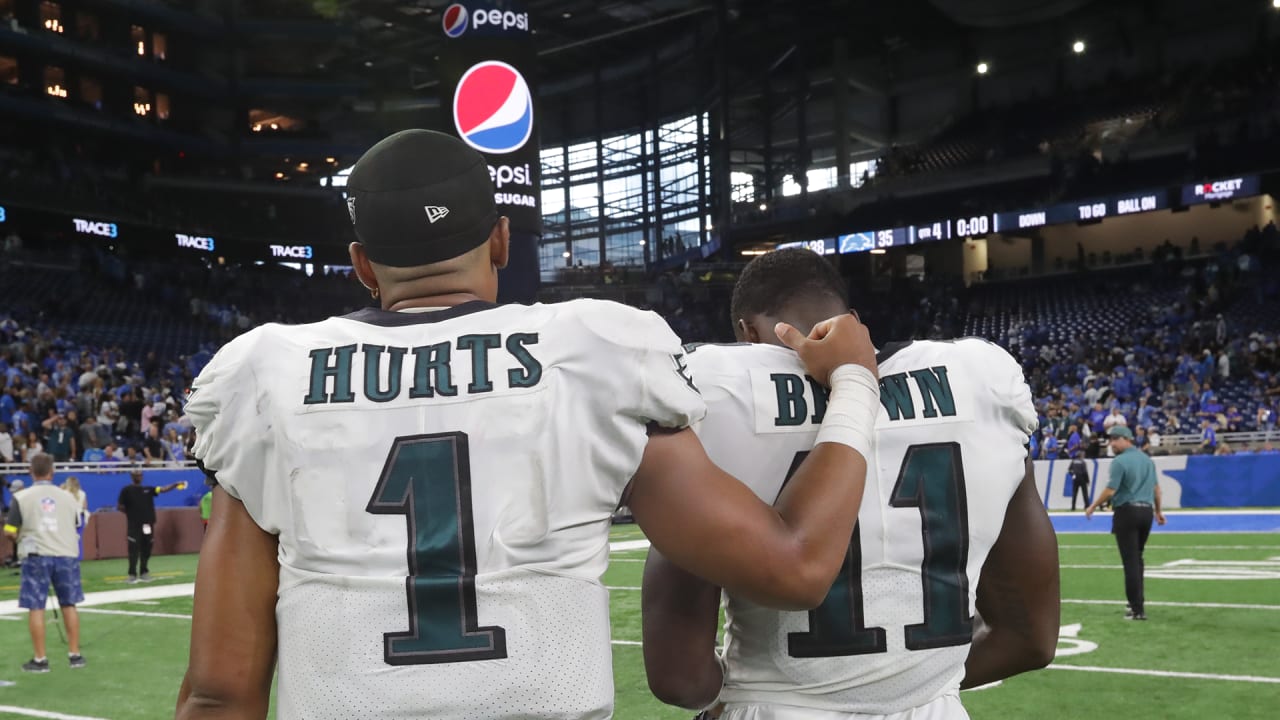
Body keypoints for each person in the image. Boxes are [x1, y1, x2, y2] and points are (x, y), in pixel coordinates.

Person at [175, 130, 881, 720]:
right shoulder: (594, 348)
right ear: (503, 240)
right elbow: (794, 568)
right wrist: (853, 382)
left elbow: (220, 691)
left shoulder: (267, 373)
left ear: (363, 265)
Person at [641, 249, 1059, 720]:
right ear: (853, 321)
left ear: (746, 334)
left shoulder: (714, 394)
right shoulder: (982, 381)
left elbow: (680, 676)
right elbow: (1032, 638)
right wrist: (913, 687)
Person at [3, 453, 85, 671]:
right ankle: (75, 655)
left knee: (36, 607)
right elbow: (77, 523)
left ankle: (41, 659)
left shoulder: (22, 497)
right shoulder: (68, 496)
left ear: (31, 472)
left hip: (36, 555)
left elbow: (9, 531)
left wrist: (20, 536)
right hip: (65, 553)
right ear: (52, 472)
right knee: (69, 605)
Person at [1086, 426, 1166, 620]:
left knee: (1130, 561)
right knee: (1137, 559)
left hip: (1127, 512)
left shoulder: (1119, 462)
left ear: (1127, 439)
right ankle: (1137, 602)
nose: (1112, 444)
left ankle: (1136, 609)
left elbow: (1111, 490)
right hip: (1146, 512)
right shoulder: (1147, 460)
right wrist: (1158, 511)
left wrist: (1093, 506)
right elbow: (1156, 489)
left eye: (1115, 439)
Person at [117, 469, 184, 583]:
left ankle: (144, 572)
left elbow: (162, 489)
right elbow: (120, 506)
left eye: (140, 475)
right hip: (134, 525)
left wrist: (174, 485)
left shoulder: (148, 489)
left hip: (148, 524)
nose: (139, 477)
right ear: (132, 477)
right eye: (136, 475)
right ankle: (132, 574)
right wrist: (132, 514)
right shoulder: (126, 490)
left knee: (146, 548)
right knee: (133, 549)